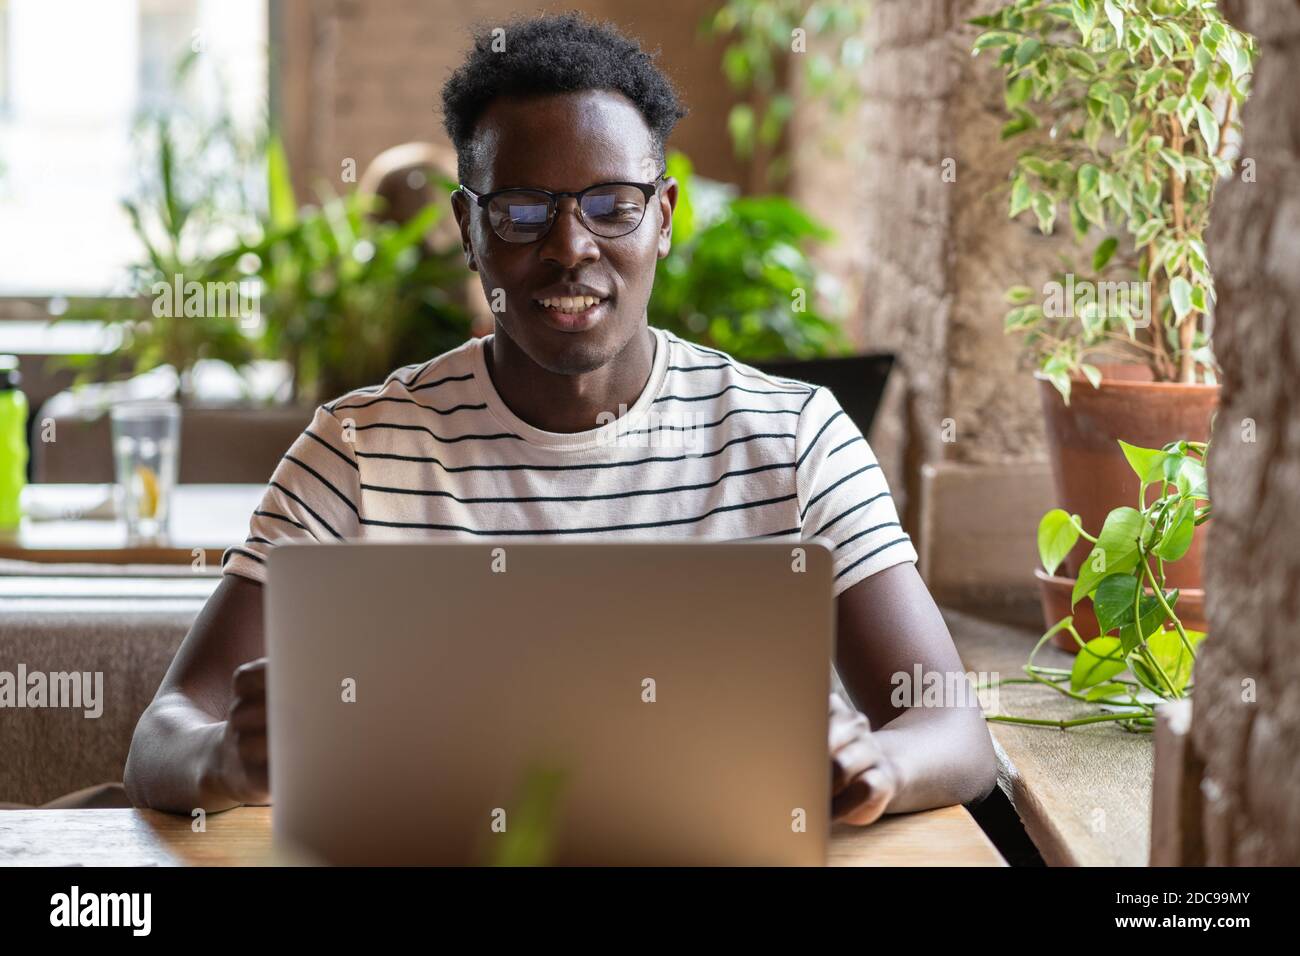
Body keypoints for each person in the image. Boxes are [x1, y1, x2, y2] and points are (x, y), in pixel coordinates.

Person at [125, 12, 996, 828]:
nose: (570, 246)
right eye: (524, 210)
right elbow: (163, 733)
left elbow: (955, 733)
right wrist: (222, 763)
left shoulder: (796, 439)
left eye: (611, 203)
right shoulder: (360, 450)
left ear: (662, 220)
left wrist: (879, 763)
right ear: (469, 229)